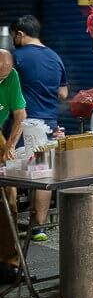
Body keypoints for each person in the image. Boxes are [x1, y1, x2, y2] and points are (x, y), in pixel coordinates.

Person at [11, 15, 67, 242]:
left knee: (10, 173)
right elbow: (63, 94)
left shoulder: (16, 57)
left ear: (20, 34)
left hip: (20, 125)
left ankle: (10, 227)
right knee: (42, 174)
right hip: (48, 124)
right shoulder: (55, 57)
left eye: (14, 35)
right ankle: (38, 228)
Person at [0, 50, 26, 284]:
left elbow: (20, 114)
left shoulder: (12, 76)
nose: (2, 79)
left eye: (4, 75)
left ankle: (9, 261)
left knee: (8, 194)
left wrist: (10, 145)